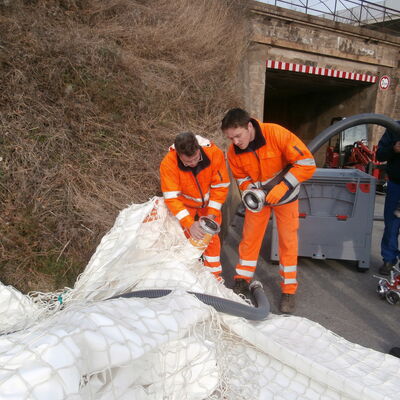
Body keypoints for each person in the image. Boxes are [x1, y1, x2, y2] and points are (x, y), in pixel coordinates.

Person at [221, 108, 316, 313]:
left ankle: (288, 290)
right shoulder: (233, 151)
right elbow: (241, 178)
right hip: (259, 200)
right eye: (230, 138)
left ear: (249, 127)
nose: (235, 142)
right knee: (249, 238)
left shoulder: (276, 133)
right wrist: (251, 192)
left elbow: (307, 163)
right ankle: (242, 279)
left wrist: (283, 187)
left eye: (238, 136)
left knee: (287, 241)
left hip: (286, 196)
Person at [160, 131, 230, 278]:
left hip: (210, 205)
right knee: (187, 240)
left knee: (211, 240)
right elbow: (172, 198)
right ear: (179, 155)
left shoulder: (214, 153)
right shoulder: (168, 163)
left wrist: (211, 215)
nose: (192, 164)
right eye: (187, 162)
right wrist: (189, 223)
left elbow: (220, 186)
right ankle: (188, 277)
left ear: (199, 149)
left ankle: (214, 279)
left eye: (196, 159)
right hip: (186, 206)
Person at [376, 121, 400, 275]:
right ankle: (389, 259)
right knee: (392, 224)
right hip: (396, 185)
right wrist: (394, 149)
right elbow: (380, 155)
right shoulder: (394, 128)